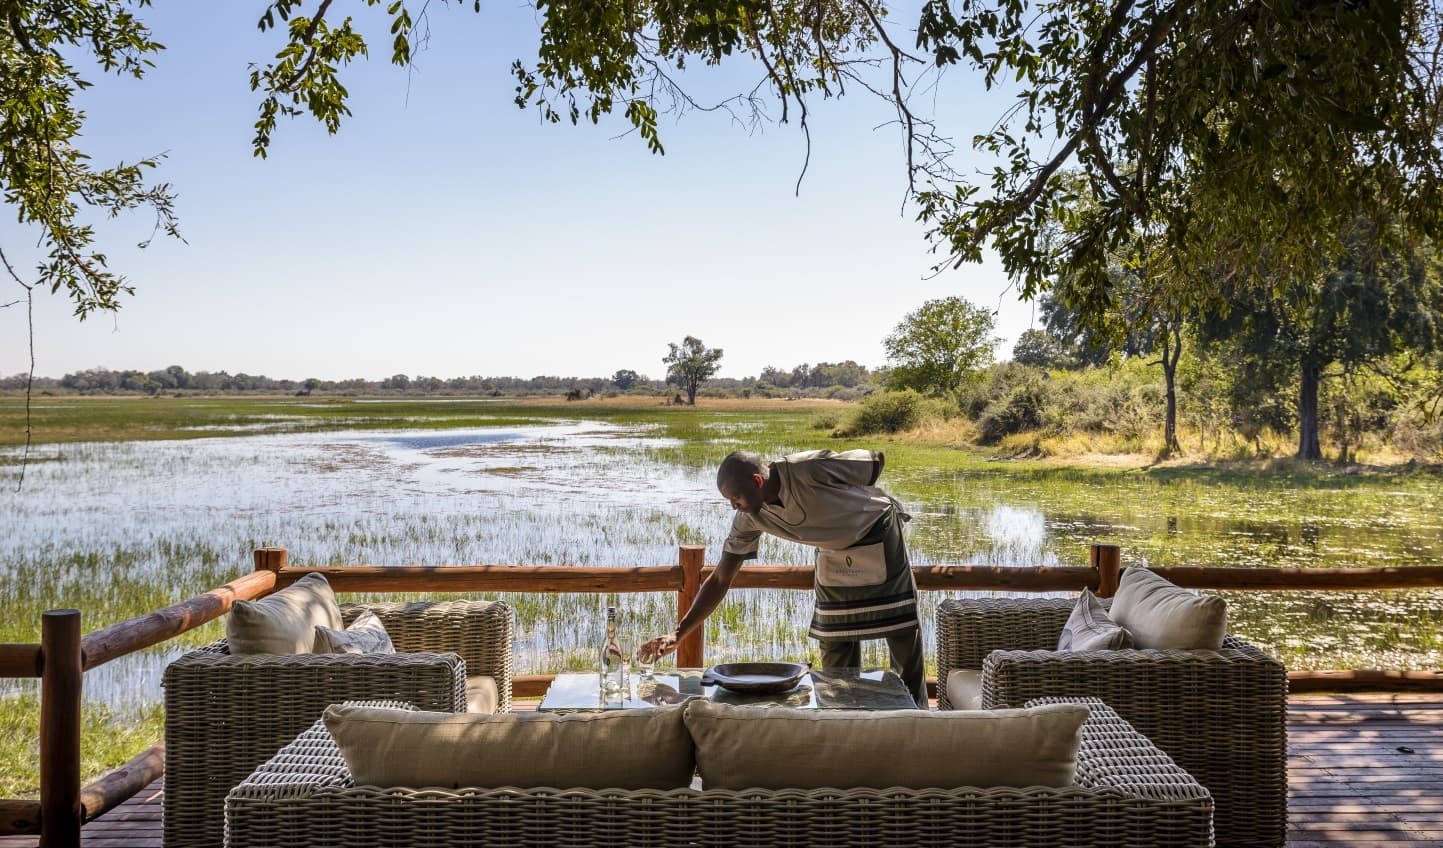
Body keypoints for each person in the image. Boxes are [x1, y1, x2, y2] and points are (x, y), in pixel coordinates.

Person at [638, 448, 926, 707]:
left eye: (736, 497)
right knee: (834, 645)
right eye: (729, 500)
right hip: (832, 551)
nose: (734, 506)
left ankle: (917, 715)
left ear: (758, 481)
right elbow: (720, 579)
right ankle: (841, 719)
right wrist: (678, 633)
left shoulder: (807, 468)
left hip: (877, 532)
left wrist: (845, 501)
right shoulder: (749, 518)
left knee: (900, 632)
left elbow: (873, 462)